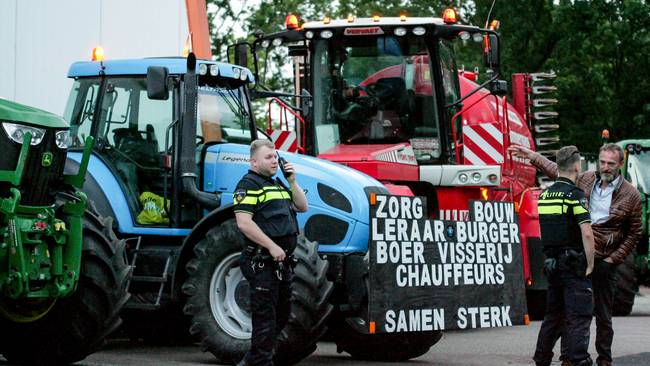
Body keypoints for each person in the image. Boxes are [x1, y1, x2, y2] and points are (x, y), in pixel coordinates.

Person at [510, 143, 642, 366]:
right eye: (602, 162)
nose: (606, 167)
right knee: (571, 311)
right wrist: (533, 156)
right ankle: (568, 358)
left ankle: (604, 358)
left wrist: (613, 259)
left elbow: (635, 232)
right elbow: (558, 170)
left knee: (603, 316)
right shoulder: (587, 179)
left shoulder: (631, 194)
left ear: (620, 164)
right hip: (580, 257)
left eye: (611, 163)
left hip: (606, 260)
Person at [233, 139, 308, 366]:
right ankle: (261, 361)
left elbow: (303, 206)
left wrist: (292, 180)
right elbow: (244, 223)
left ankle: (253, 359)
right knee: (265, 318)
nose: (274, 161)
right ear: (254, 162)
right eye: (269, 157)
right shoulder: (248, 185)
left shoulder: (277, 184)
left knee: (282, 315)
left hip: (282, 264)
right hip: (261, 261)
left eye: (275, 157)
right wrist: (271, 246)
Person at [530, 145, 596, 366]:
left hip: (552, 265)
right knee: (578, 316)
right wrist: (590, 263)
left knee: (553, 316)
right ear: (578, 166)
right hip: (573, 264)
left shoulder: (545, 195)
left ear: (558, 166)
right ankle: (577, 360)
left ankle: (542, 358)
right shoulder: (575, 195)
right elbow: (586, 232)